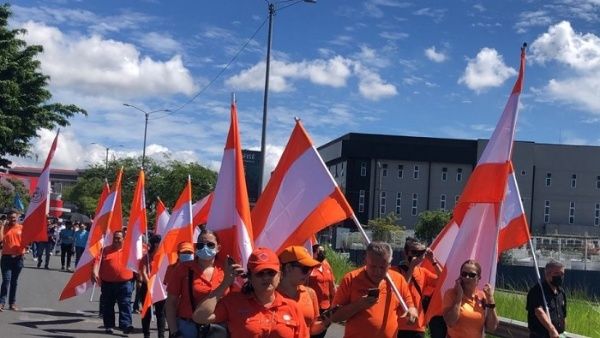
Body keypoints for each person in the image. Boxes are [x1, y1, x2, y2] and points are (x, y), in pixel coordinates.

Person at [193, 247, 309, 338]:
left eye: (271, 272)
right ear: (250, 276)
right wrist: (225, 284)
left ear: (280, 275)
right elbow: (200, 317)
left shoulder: (292, 307)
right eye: (260, 273)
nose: (266, 277)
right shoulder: (234, 302)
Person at [331, 241, 418, 338]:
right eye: (373, 266)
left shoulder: (398, 280)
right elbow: (334, 316)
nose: (377, 271)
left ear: (389, 264)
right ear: (365, 261)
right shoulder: (351, 279)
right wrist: (359, 305)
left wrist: (412, 311)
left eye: (382, 267)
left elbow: (410, 305)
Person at [166, 230, 228, 338]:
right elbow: (171, 302)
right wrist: (174, 331)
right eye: (200, 245)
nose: (205, 248)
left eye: (210, 244)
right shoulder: (183, 268)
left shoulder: (226, 270)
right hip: (188, 328)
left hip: (218, 328)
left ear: (218, 248)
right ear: (196, 247)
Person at [395, 237, 442, 338]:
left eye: (420, 252)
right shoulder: (394, 271)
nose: (417, 256)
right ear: (406, 252)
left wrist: (433, 261)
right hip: (398, 324)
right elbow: (401, 290)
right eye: (414, 252)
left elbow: (442, 280)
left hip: (418, 326)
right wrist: (411, 267)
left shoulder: (422, 272)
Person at [278, 245, 329, 336]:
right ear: (288, 268)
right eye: (305, 269)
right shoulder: (270, 296)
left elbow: (311, 329)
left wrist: (330, 319)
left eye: (311, 269)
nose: (309, 273)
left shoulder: (310, 293)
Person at [442, 259, 499, 338]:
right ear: (460, 276)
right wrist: (459, 296)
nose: (467, 277)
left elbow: (492, 327)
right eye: (464, 274)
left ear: (479, 278)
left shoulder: (483, 296)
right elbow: (450, 322)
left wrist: (491, 299)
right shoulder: (451, 294)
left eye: (472, 275)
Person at [92, 230, 135, 334]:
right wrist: (94, 271)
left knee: (125, 304)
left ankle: (126, 325)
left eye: (119, 238)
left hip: (125, 283)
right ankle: (109, 325)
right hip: (108, 283)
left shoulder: (130, 251)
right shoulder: (105, 250)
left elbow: (138, 262)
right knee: (108, 305)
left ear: (123, 239)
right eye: (115, 238)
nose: (116, 240)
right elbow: (97, 261)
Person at [526, 260, 567, 338]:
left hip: (558, 335)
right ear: (547, 274)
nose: (560, 276)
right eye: (556, 273)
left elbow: (564, 314)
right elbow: (539, 311)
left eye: (562, 274)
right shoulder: (537, 291)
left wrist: (563, 330)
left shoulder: (561, 292)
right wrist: (552, 329)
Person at [139, 234, 166, 338]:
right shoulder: (146, 257)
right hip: (147, 288)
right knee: (147, 313)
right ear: (156, 244)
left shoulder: (164, 257)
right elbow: (143, 272)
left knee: (161, 313)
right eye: (160, 242)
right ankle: (146, 334)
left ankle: (161, 335)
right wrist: (149, 284)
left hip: (160, 288)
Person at [307, 243, 336, 338]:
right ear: (313, 253)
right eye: (320, 251)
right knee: (312, 333)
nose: (322, 254)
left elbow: (332, 286)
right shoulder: (308, 268)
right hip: (313, 308)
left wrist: (334, 304)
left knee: (322, 332)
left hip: (326, 308)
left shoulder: (326, 266)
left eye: (323, 252)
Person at [0, 209, 25, 311]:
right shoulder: (4, 228)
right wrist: (2, 226)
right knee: (6, 280)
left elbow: (27, 240)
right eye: (10, 218)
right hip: (6, 257)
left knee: (14, 281)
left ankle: (12, 303)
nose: (12, 219)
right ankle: (1, 303)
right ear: (7, 218)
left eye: (14, 217)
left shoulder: (22, 228)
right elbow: (1, 239)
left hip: (18, 258)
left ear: (17, 217)